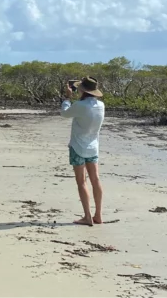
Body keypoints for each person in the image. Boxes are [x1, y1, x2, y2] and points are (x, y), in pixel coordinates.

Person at [60, 76, 105, 226]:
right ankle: (98, 214)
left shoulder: (81, 105)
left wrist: (67, 97)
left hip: (78, 147)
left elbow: (65, 113)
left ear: (82, 90)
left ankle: (87, 217)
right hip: (93, 147)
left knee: (81, 182)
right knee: (95, 179)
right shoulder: (100, 106)